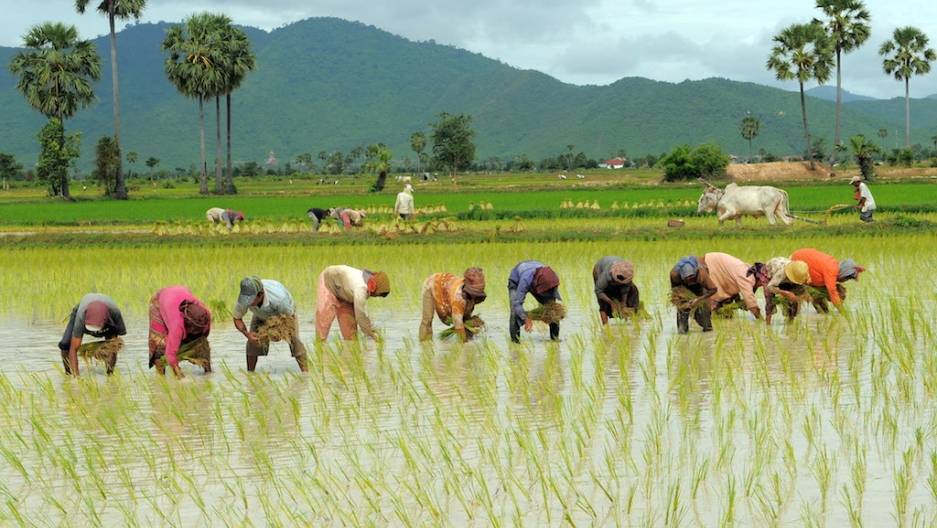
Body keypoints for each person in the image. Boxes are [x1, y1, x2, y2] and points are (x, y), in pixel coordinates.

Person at [233, 276, 308, 373]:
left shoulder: (280, 299)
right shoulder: (243, 299)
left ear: (260, 295)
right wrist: (247, 334)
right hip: (260, 315)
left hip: (284, 315)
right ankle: (250, 374)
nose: (247, 303)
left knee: (294, 340)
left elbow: (289, 318)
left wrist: (278, 332)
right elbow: (237, 318)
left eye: (250, 300)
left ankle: (306, 374)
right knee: (252, 342)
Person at [148, 286, 212, 378]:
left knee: (201, 345)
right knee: (160, 347)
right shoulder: (177, 325)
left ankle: (208, 373)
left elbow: (204, 337)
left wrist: (195, 350)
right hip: (160, 301)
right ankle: (160, 378)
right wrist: (180, 377)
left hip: (179, 293)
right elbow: (170, 355)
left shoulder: (206, 314)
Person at [58, 293, 126, 376]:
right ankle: (68, 374)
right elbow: (74, 349)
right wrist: (76, 380)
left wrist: (103, 350)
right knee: (65, 345)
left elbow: (114, 343)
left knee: (111, 345)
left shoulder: (115, 313)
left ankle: (110, 374)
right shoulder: (81, 315)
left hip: (107, 318)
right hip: (81, 314)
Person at [316, 265, 390, 340]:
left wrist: (371, 331)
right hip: (329, 282)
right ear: (374, 288)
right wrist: (372, 334)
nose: (375, 297)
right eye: (377, 295)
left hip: (345, 294)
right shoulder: (361, 288)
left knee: (351, 337)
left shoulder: (365, 285)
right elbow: (361, 315)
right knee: (322, 332)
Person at [419, 268, 487, 342]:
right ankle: (424, 343)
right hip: (432, 284)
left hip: (448, 285)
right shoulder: (458, 298)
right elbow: (458, 325)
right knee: (427, 320)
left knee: (468, 321)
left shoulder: (473, 295)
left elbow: (464, 318)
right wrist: (465, 345)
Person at [790, 248, 865, 310]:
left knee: (822, 303)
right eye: (846, 279)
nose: (844, 281)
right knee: (796, 303)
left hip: (806, 268)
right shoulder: (831, 270)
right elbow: (832, 291)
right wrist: (843, 311)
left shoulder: (833, 265)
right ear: (844, 274)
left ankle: (820, 310)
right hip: (796, 264)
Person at [508, 260, 561, 343]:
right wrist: (525, 318)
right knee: (515, 312)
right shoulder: (525, 280)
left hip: (538, 279)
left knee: (553, 311)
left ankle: (555, 340)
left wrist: (546, 314)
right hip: (516, 281)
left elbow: (552, 298)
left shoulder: (550, 279)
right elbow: (517, 304)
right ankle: (515, 343)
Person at [703, 252, 764, 320]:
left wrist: (739, 301)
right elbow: (750, 301)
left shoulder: (748, 271)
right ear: (759, 278)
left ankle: (717, 314)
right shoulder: (747, 277)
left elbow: (734, 285)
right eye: (761, 283)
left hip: (715, 263)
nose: (761, 285)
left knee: (724, 305)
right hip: (712, 265)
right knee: (714, 299)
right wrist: (760, 319)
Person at [669, 255, 716, 334]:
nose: (690, 282)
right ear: (682, 277)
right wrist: (683, 304)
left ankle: (707, 332)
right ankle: (682, 334)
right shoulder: (674, 275)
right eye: (687, 279)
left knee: (705, 316)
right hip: (684, 288)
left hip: (699, 287)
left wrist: (698, 300)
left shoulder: (702, 274)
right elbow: (675, 293)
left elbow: (713, 289)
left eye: (692, 279)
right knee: (682, 314)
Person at [592, 256, 639, 325]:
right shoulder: (606, 276)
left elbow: (625, 289)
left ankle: (631, 323)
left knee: (633, 294)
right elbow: (598, 291)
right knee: (603, 304)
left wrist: (624, 302)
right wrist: (611, 303)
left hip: (620, 274)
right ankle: (606, 327)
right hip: (600, 269)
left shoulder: (627, 274)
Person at [762, 257, 810, 324]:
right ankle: (768, 324)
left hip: (788, 277)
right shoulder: (781, 273)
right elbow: (770, 287)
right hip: (770, 276)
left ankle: (790, 322)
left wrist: (804, 295)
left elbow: (806, 283)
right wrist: (785, 293)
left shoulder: (802, 272)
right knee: (770, 299)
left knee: (793, 301)